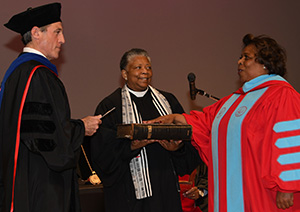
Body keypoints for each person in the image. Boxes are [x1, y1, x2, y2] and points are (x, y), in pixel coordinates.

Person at [146, 34, 300, 211]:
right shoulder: (234, 100)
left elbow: (291, 142)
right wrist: (175, 118)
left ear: (265, 63)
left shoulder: (282, 96)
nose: (239, 62)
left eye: (246, 57)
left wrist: (288, 187)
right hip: (230, 190)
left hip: (263, 192)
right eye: (240, 57)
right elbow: (205, 122)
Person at [0, 3, 102, 212]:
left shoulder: (17, 73)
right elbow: (44, 138)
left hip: (21, 179)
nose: (63, 40)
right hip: (40, 185)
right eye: (57, 32)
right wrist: (81, 127)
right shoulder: (37, 75)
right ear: (36, 33)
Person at [90, 48, 201, 212]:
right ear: (124, 74)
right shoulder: (110, 106)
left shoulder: (168, 101)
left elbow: (188, 141)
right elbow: (102, 154)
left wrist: (177, 148)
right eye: (138, 67)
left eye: (148, 67)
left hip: (165, 189)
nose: (145, 72)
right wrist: (131, 146)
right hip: (128, 195)